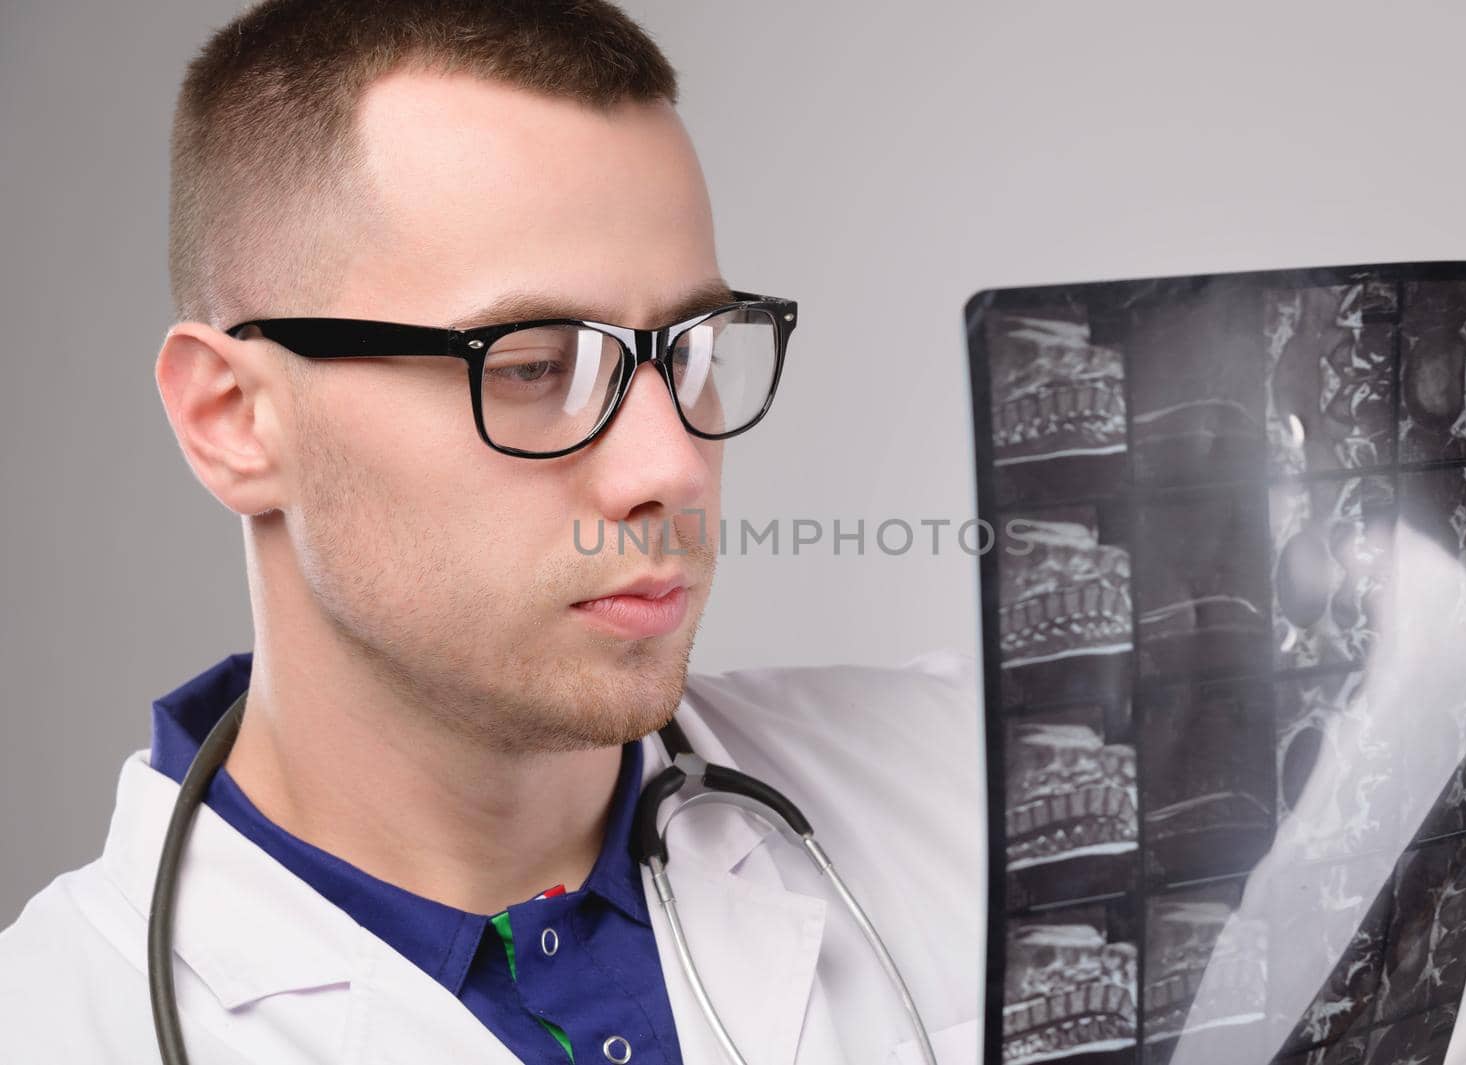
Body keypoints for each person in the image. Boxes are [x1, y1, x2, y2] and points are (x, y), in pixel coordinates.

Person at [0, 1, 985, 1062]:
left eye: (690, 346)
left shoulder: (982, 783)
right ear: (234, 420)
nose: (667, 466)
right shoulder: (54, 1025)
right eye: (529, 366)